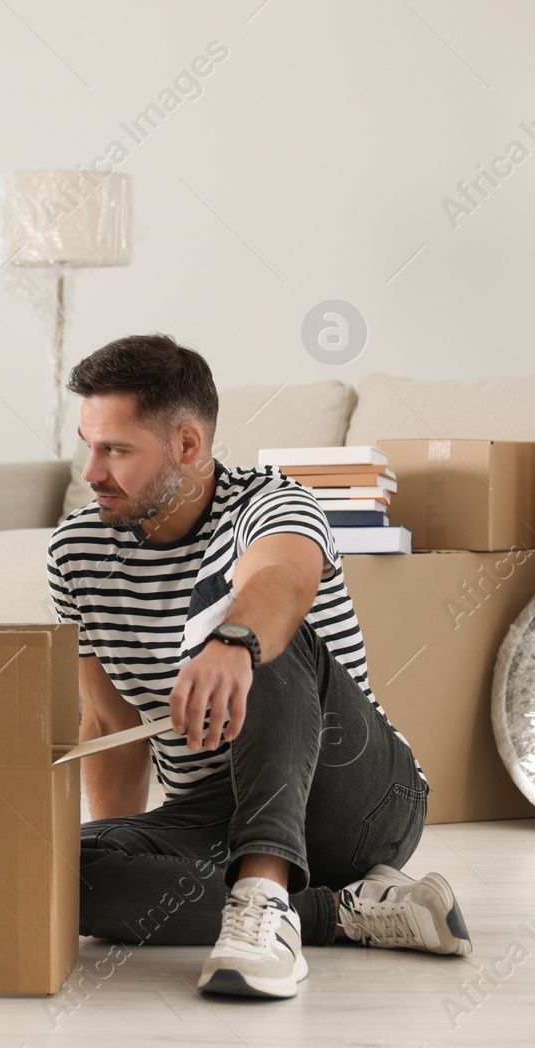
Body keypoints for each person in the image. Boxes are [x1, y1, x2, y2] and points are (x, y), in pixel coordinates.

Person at [49, 334, 470, 999]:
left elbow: (282, 579)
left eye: (117, 449)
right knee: (54, 868)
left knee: (264, 637)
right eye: (89, 444)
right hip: (214, 810)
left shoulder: (274, 502)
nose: (93, 470)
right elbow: (108, 718)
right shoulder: (75, 550)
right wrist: (122, 851)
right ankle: (341, 912)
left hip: (352, 793)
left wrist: (232, 641)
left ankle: (267, 905)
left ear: (187, 445)